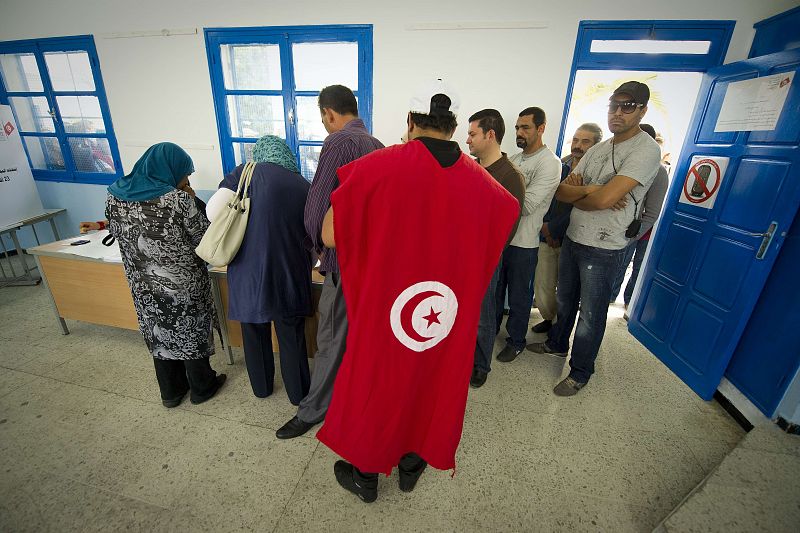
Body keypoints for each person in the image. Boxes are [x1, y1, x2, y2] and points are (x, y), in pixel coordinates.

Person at [315, 80, 519, 503]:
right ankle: (411, 468)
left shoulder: (375, 169)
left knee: (378, 384)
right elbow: (502, 224)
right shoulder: (488, 188)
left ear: (410, 121)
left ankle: (365, 476)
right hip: (442, 316)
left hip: (385, 308)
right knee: (429, 385)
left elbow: (331, 235)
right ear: (454, 125)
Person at [527, 81, 661, 396]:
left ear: (642, 110)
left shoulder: (646, 149)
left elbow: (602, 202)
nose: (617, 113)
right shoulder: (601, 148)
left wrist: (586, 191)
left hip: (605, 245)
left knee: (591, 315)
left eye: (627, 107)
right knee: (564, 300)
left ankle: (581, 371)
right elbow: (563, 190)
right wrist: (592, 190)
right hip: (575, 236)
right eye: (613, 106)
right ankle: (557, 344)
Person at [275, 85, 384, 439]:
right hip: (371, 263)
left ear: (328, 114)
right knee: (357, 340)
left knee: (331, 337)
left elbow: (316, 207)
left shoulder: (338, 142)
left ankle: (313, 410)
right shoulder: (378, 146)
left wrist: (319, 249)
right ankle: (349, 400)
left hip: (343, 262)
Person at [105, 142, 226, 407]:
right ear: (170, 170)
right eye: (185, 173)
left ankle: (171, 392)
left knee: (158, 331)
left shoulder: (115, 195)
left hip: (143, 284)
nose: (187, 178)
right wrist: (193, 198)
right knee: (188, 329)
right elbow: (205, 237)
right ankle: (202, 388)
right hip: (182, 285)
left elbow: (115, 230)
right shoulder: (178, 200)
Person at [209, 135, 313, 404]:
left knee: (253, 330)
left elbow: (213, 213)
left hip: (248, 270)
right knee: (291, 334)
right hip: (289, 269)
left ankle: (262, 388)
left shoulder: (244, 173)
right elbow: (312, 229)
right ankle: (298, 393)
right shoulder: (302, 183)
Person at [495, 107, 561, 363]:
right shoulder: (515, 158)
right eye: (517, 128)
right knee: (496, 292)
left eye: (526, 128)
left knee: (520, 297)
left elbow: (528, 205)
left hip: (524, 243)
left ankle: (516, 341)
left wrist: (496, 198)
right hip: (503, 240)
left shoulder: (549, 163)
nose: (519, 133)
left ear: (541, 128)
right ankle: (491, 332)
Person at [464, 109, 525, 387]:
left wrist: (483, 254)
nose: (467, 140)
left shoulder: (510, 175)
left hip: (485, 257)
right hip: (463, 253)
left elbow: (507, 228)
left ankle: (480, 366)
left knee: (484, 314)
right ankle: (465, 358)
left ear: (490, 135)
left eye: (472, 134)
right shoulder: (470, 168)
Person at [531, 123, 603, 334]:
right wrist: (546, 228)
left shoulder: (597, 175)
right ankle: (549, 318)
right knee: (543, 287)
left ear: (596, 146)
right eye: (576, 140)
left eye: (585, 141)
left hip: (574, 237)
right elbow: (549, 197)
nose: (578, 146)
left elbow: (586, 205)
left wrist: (555, 228)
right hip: (546, 234)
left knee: (566, 292)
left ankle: (560, 330)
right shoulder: (559, 165)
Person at [609, 124, 669, 313]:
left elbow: (652, 212)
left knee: (638, 268)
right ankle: (610, 296)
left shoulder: (658, 171)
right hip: (620, 228)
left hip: (639, 232)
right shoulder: (620, 163)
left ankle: (629, 301)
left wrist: (633, 236)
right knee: (619, 266)